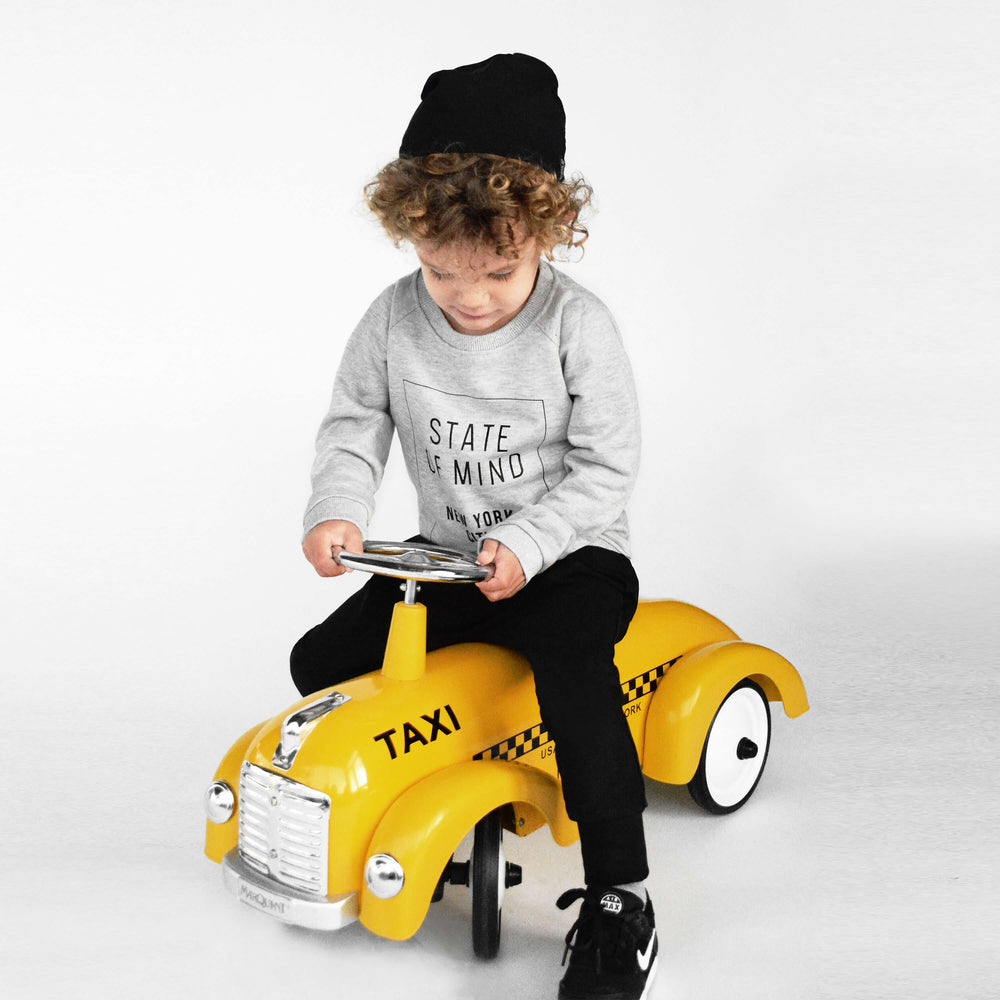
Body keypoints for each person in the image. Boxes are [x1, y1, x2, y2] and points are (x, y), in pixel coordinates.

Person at [290, 54, 657, 1000]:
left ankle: (620, 897)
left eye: (499, 269)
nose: (471, 295)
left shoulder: (579, 326)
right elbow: (355, 423)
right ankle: (417, 802)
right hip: (447, 561)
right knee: (321, 663)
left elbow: (607, 468)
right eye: (441, 269)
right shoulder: (391, 320)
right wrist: (338, 509)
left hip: (571, 558)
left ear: (548, 230)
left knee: (576, 675)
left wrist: (529, 544)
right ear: (411, 235)